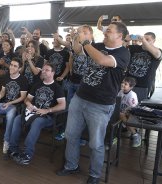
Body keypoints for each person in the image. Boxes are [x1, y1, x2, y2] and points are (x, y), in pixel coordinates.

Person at [57, 22, 130, 184]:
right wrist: (77, 37)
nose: (105, 32)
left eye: (109, 31)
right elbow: (77, 51)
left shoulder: (123, 53)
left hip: (100, 105)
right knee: (71, 135)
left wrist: (85, 41)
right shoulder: (97, 45)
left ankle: (95, 175)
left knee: (96, 143)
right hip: (80, 98)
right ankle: (71, 165)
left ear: (119, 36)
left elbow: (103, 60)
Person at [6, 63, 66, 165]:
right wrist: (28, 103)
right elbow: (27, 98)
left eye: (47, 70)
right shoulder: (37, 85)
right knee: (17, 119)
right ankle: (13, 149)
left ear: (53, 73)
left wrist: (47, 110)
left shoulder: (57, 87)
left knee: (37, 122)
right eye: (43, 70)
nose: (43, 71)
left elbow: (62, 105)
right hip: (33, 113)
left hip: (48, 117)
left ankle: (27, 154)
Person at [126, 32, 162, 98]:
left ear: (154, 41)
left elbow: (157, 54)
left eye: (147, 39)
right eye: (144, 39)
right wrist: (126, 39)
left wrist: (143, 39)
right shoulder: (135, 48)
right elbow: (120, 47)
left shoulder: (157, 51)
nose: (144, 41)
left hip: (143, 86)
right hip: (128, 83)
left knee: (138, 106)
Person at [117, 77, 140, 147]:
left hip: (131, 113)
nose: (122, 84)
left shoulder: (132, 95)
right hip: (122, 111)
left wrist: (124, 112)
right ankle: (111, 136)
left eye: (125, 84)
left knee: (121, 115)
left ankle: (135, 134)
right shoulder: (120, 92)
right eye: (122, 82)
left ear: (131, 87)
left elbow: (134, 108)